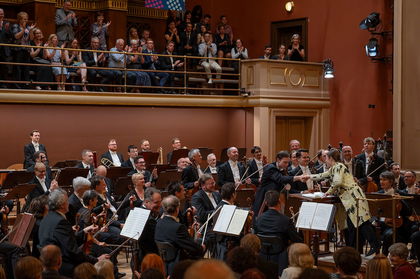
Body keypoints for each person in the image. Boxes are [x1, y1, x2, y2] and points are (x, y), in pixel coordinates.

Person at [306, 148, 380, 256]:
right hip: (349, 200)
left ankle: (375, 245)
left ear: (331, 158)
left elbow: (337, 182)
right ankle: (353, 251)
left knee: (363, 222)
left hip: (354, 198)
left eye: (326, 158)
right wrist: (307, 177)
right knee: (352, 225)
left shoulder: (339, 166)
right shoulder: (334, 168)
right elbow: (322, 175)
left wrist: (328, 192)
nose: (325, 160)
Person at [38, 189, 109, 275]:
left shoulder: (47, 217)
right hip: (60, 264)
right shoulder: (60, 221)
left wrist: (84, 232)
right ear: (61, 205)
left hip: (50, 261)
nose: (69, 203)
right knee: (98, 269)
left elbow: (68, 240)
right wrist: (96, 260)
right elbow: (73, 251)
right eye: (67, 201)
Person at [254, 190, 302, 273]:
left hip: (262, 257)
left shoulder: (259, 219)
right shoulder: (285, 220)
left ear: (266, 203)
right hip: (280, 259)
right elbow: (297, 240)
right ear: (279, 201)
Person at [154, 195, 203, 273]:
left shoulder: (158, 222)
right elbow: (194, 248)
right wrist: (200, 246)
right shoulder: (178, 227)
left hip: (163, 264)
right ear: (177, 209)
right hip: (178, 266)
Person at [252, 151, 308, 218]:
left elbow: (286, 183)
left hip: (274, 199)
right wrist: (298, 177)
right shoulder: (270, 167)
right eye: (285, 162)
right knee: (261, 219)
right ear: (278, 160)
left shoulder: (282, 169)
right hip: (264, 198)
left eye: (288, 162)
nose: (287, 164)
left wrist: (300, 191)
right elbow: (280, 178)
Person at [12, 11, 35, 88]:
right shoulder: (16, 26)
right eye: (24, 19)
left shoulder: (28, 27)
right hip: (18, 50)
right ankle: (17, 85)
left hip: (26, 50)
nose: (26, 21)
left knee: (26, 67)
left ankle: (26, 84)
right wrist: (23, 29)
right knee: (18, 68)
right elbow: (16, 36)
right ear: (20, 19)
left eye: (26, 19)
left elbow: (31, 39)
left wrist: (31, 30)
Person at [0, 8, 12, 88]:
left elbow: (10, 37)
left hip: (4, 50)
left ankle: (3, 84)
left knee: (4, 67)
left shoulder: (6, 24)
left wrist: (8, 30)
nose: (1, 15)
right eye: (0, 13)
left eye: (2, 13)